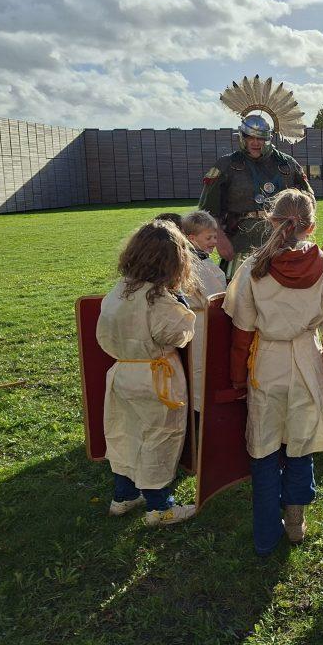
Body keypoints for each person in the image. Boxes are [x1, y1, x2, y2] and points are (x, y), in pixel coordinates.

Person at [223, 190, 323, 555]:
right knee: (300, 442)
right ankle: (295, 520)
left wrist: (237, 378)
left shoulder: (252, 268)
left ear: (271, 220)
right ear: (312, 226)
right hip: (306, 361)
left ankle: (267, 533)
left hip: (265, 364)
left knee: (265, 447)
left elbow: (241, 335)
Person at [96, 220, 199, 526]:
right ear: (174, 261)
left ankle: (124, 495)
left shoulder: (119, 291)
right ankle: (160, 507)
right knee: (159, 438)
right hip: (157, 379)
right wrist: (181, 303)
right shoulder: (159, 300)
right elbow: (180, 334)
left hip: (123, 374)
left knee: (126, 433)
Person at [199, 115, 312, 279]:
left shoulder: (287, 165)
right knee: (239, 292)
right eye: (249, 137)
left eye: (260, 138)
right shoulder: (226, 165)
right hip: (240, 241)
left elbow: (308, 201)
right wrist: (221, 239)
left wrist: (298, 234)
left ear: (269, 138)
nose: (255, 142)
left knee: (281, 288)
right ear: (241, 137)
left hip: (281, 240)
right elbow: (207, 210)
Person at [180, 210, 227, 414]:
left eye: (215, 237)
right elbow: (216, 295)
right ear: (192, 238)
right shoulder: (197, 265)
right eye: (208, 237)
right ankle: (199, 414)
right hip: (200, 324)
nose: (214, 241)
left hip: (194, 321)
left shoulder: (193, 260)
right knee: (199, 370)